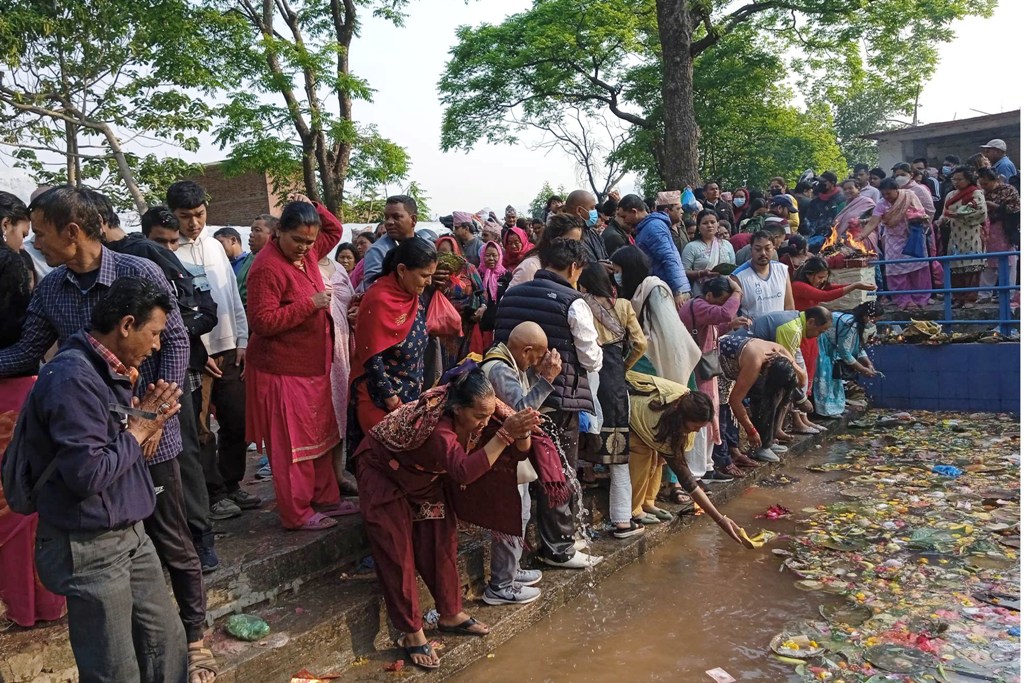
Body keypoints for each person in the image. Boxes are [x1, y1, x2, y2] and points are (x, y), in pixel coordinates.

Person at [16, 277, 187, 682]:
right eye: (155, 333)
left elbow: (113, 438)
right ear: (126, 325)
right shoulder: (72, 378)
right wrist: (140, 431)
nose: (157, 346)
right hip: (89, 543)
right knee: (114, 669)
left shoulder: (111, 369)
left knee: (166, 643)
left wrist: (148, 420)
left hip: (130, 533)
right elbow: (87, 473)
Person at [353, 369, 542, 670]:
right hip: (383, 472)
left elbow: (522, 452)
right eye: (479, 417)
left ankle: (451, 613)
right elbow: (463, 471)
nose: (484, 423)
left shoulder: (484, 407)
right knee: (396, 549)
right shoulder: (439, 427)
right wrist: (506, 434)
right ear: (458, 410)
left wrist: (522, 430)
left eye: (488, 416)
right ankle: (412, 632)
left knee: (442, 537)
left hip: (423, 478)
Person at [494, 239, 605, 568]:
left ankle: (532, 549)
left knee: (524, 474)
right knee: (557, 474)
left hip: (511, 393)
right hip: (558, 397)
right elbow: (591, 357)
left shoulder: (511, 294)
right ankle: (558, 548)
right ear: (574, 268)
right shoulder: (574, 301)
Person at [245, 195, 352, 531]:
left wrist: (313, 203)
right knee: (293, 447)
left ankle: (324, 497)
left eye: (309, 241)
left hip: (311, 366)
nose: (306, 247)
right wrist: (310, 304)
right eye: (298, 240)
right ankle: (297, 513)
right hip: (281, 371)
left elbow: (334, 230)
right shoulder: (267, 267)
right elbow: (262, 321)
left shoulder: (306, 254)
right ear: (278, 232)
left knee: (320, 436)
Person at [167, 181, 257, 520]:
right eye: (185, 216)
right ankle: (213, 493)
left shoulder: (216, 247)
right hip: (194, 358)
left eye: (199, 215)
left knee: (238, 420)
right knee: (202, 429)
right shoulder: (168, 251)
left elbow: (232, 297)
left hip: (230, 348)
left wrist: (243, 340)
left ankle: (231, 482)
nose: (193, 223)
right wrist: (197, 356)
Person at [139, 206, 222, 573]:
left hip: (178, 373)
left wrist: (177, 329)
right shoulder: (137, 269)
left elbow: (207, 312)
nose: (167, 250)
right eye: (160, 242)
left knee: (186, 451)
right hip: (135, 381)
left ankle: (200, 535)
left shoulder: (186, 270)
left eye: (173, 243)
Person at [0, 191, 66, 629]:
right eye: (27, 229)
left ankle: (16, 606)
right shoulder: (12, 263)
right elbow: (27, 341)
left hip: (14, 387)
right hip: (16, 390)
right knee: (25, 500)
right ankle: (37, 604)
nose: (30, 239)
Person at [480, 322, 573, 604]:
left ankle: (511, 570)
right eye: (534, 358)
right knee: (510, 517)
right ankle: (501, 586)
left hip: (509, 454)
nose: (535, 365)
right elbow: (519, 412)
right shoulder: (499, 369)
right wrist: (546, 380)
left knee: (521, 511)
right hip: (500, 455)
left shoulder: (509, 360)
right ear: (526, 350)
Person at [624, 372, 744, 543]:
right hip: (630, 413)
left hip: (652, 412)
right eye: (695, 426)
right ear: (683, 418)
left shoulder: (687, 404)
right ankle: (634, 510)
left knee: (659, 459)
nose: (696, 431)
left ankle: (648, 503)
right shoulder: (660, 418)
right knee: (643, 454)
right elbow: (687, 480)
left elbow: (686, 476)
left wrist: (721, 518)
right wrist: (719, 519)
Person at [576, 263, 648, 539]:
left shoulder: (579, 304)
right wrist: (625, 367)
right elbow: (640, 344)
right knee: (619, 457)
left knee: (578, 451)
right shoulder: (624, 306)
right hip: (615, 383)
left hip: (586, 384)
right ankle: (621, 520)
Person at [352, 237, 437, 434]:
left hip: (410, 395)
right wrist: (392, 400)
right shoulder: (378, 300)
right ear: (401, 270)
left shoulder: (414, 295)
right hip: (381, 401)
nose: (429, 281)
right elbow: (371, 357)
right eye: (424, 275)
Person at [679, 276, 756, 480]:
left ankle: (708, 466)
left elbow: (713, 328)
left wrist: (729, 325)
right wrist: (737, 292)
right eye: (720, 300)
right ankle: (697, 472)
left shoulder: (701, 306)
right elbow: (724, 312)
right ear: (709, 295)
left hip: (706, 368)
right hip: (697, 370)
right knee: (701, 416)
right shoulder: (699, 305)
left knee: (710, 414)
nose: (722, 306)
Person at [792, 257, 877, 392]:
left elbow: (829, 288)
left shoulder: (815, 284)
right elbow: (824, 296)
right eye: (820, 277)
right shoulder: (798, 286)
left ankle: (806, 397)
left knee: (810, 363)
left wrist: (857, 283)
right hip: (798, 330)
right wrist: (855, 286)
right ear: (809, 275)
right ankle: (799, 400)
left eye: (824, 277)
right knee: (801, 365)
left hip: (811, 332)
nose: (822, 281)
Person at [717, 333, 805, 464]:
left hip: (741, 360)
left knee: (774, 396)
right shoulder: (755, 363)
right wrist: (751, 430)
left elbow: (802, 380)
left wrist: (789, 360)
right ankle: (728, 455)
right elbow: (735, 401)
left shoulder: (780, 352)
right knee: (723, 410)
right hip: (718, 363)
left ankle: (766, 442)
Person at [860, 178, 931, 310]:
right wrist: (862, 236)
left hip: (912, 238)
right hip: (893, 240)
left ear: (897, 190)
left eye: (889, 193)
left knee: (918, 269)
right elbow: (873, 222)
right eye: (884, 194)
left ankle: (920, 299)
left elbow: (920, 212)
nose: (887, 197)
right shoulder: (881, 204)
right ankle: (904, 301)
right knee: (896, 271)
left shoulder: (909, 196)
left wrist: (915, 217)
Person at [618, 194, 691, 306]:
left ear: (634, 212)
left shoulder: (652, 227)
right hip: (667, 288)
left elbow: (668, 258)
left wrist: (677, 292)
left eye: (624, 216)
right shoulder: (646, 227)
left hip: (671, 291)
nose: (623, 221)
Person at [814, 302, 880, 417]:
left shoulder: (857, 323)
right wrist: (863, 369)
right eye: (874, 320)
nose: (874, 323)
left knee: (834, 378)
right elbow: (844, 353)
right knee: (824, 376)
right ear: (866, 316)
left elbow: (857, 347)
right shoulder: (850, 324)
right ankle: (823, 410)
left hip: (831, 348)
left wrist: (868, 363)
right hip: (822, 344)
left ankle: (835, 406)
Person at [938, 166, 988, 306]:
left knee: (972, 265)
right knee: (955, 266)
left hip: (972, 233)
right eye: (954, 179)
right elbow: (945, 212)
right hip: (955, 234)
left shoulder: (976, 193)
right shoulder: (950, 195)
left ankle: (970, 298)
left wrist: (959, 215)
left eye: (960, 179)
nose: (956, 182)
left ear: (968, 179)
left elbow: (981, 213)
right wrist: (943, 220)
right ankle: (958, 297)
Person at [433, 235, 485, 369]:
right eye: (441, 252)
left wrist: (482, 307)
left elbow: (481, 291)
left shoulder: (468, 268)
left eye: (450, 252)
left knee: (464, 363)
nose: (446, 256)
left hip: (466, 325)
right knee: (442, 364)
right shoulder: (434, 271)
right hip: (443, 327)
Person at [358, 195, 419, 292]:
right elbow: (373, 290)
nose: (389, 222)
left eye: (396, 217)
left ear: (413, 220)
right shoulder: (376, 251)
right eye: (386, 217)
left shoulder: (427, 246)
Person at [507, 213, 584, 288]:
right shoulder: (531, 267)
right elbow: (509, 299)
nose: (574, 247)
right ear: (552, 239)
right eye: (569, 242)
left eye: (578, 243)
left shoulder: (572, 268)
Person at [977, 167, 1021, 298]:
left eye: (986, 183)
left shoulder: (1009, 190)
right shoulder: (981, 193)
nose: (984, 187)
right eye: (982, 184)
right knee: (987, 263)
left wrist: (994, 206)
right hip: (987, 230)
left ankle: (1008, 293)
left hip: (1004, 229)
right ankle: (984, 294)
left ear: (995, 180)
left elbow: (1015, 210)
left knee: (1007, 261)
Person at [731, 230, 794, 317]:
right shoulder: (737, 277)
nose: (763, 253)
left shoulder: (782, 269)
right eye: (758, 249)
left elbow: (789, 306)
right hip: (751, 330)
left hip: (780, 329)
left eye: (767, 248)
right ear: (751, 250)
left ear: (774, 249)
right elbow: (732, 312)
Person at [681, 209, 736, 296]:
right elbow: (683, 272)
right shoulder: (691, 247)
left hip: (725, 292)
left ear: (718, 224)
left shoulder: (727, 245)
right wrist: (701, 273)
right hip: (702, 293)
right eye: (705, 223)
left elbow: (733, 270)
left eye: (712, 222)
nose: (709, 225)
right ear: (698, 226)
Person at [213, 227, 254, 309]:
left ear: (233, 240)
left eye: (221, 243)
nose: (218, 249)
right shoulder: (222, 266)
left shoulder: (251, 262)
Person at [476, 241, 506, 352]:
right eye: (487, 255)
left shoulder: (506, 276)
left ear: (500, 255)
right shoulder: (478, 274)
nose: (491, 258)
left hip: (498, 324)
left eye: (494, 255)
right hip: (480, 324)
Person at [562, 189, 608, 262]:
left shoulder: (592, 232)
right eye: (592, 208)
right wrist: (596, 267)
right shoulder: (566, 237)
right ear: (580, 210)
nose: (595, 211)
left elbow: (605, 256)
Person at [802, 172, 845, 246]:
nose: (820, 184)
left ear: (832, 183)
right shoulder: (815, 201)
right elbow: (808, 220)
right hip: (812, 238)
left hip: (833, 240)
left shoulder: (841, 200)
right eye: (819, 181)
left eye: (823, 182)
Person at [835, 179, 878, 250]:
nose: (847, 191)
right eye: (845, 189)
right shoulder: (843, 205)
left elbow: (875, 218)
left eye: (850, 188)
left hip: (862, 237)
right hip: (844, 239)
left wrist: (861, 221)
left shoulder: (867, 202)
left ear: (858, 188)